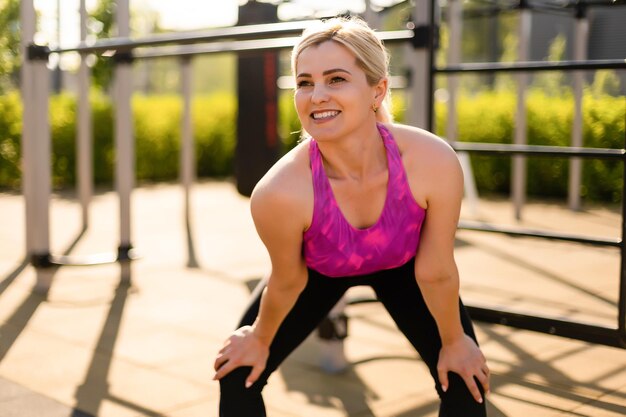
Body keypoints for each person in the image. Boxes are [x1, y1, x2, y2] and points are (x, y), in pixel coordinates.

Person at [213, 16, 490, 416]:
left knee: (466, 377)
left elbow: (436, 271)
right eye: (305, 82)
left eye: (336, 79)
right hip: (317, 272)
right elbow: (288, 280)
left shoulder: (431, 161)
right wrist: (258, 338)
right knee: (238, 373)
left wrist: (454, 342)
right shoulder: (280, 193)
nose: (317, 95)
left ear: (377, 91)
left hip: (406, 267)